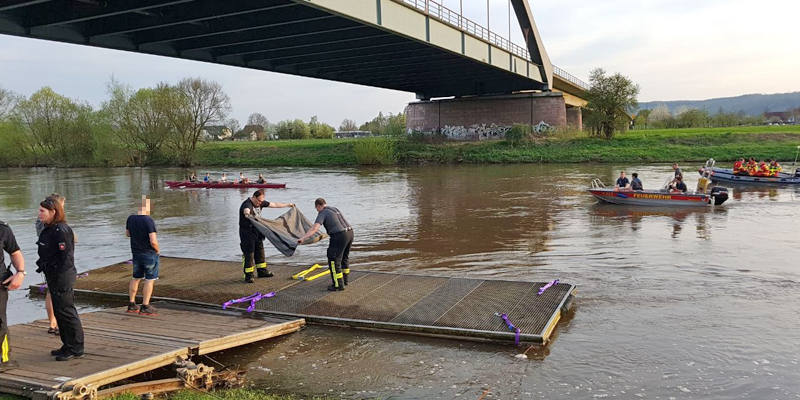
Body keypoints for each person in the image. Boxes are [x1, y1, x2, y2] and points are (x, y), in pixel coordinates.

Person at [36, 198, 84, 361]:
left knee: (66, 311)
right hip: (52, 275)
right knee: (59, 311)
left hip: (62, 276)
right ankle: (67, 344)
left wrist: (56, 272)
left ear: (53, 212)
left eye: (42, 211)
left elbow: (66, 257)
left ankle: (75, 347)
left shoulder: (61, 230)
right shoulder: (48, 229)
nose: (39, 214)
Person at [36, 194, 75, 335]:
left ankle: (53, 323)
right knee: (57, 299)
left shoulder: (54, 226)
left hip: (52, 265)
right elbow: (66, 253)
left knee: (53, 296)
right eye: (63, 205)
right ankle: (55, 324)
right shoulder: (55, 227)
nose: (39, 213)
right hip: (56, 268)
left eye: (41, 210)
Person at [297, 198, 354, 292]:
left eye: (316, 208)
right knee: (344, 257)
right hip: (350, 233)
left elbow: (314, 228)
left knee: (333, 259)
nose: (317, 210)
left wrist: (303, 238)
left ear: (319, 206)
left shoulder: (322, 213)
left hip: (339, 236)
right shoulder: (334, 209)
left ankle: (337, 285)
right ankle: (345, 281)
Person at [239, 190, 294, 283]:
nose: (260, 203)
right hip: (247, 233)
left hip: (257, 231)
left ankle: (262, 272)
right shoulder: (247, 204)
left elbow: (275, 204)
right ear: (254, 197)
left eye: (261, 201)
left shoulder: (260, 202)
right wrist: (247, 214)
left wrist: (288, 205)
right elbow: (246, 210)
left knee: (260, 251)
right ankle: (249, 276)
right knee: (249, 253)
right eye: (259, 201)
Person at [125, 195, 160, 316]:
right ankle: (145, 306)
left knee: (136, 278)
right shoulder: (148, 220)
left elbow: (128, 234)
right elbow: (153, 241)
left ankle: (132, 304)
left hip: (136, 253)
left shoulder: (130, 218)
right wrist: (158, 250)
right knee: (149, 280)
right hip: (149, 253)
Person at [0, 220, 26, 371]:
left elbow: (15, 252)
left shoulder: (2, 229)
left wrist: (20, 273)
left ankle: (4, 360)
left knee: (0, 323)